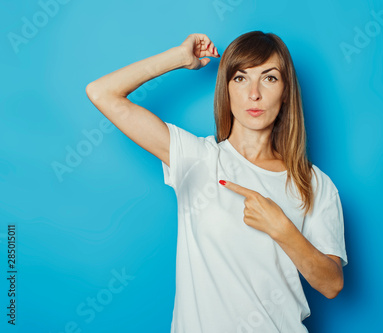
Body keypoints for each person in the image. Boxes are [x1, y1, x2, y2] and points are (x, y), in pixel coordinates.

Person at [86, 31, 348, 333]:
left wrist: (281, 227)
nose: (254, 94)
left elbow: (331, 284)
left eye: (269, 78)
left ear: (286, 91)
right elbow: (102, 92)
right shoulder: (196, 158)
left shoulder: (314, 183)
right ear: (226, 89)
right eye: (240, 78)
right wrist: (179, 57)